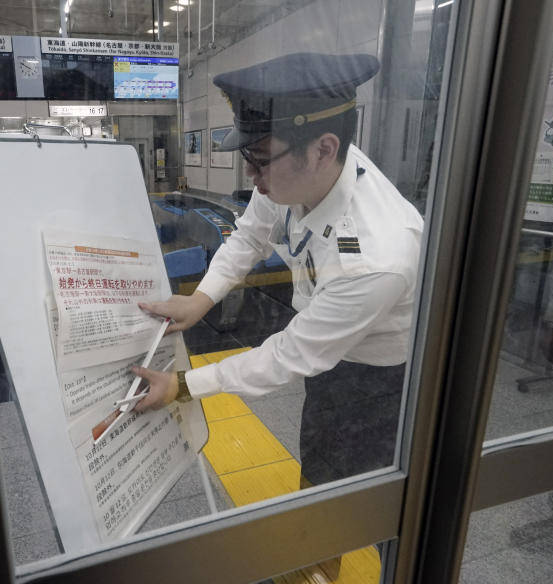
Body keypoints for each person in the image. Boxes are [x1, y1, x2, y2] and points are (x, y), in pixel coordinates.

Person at [132, 52, 424, 486]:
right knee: (320, 468)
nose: (250, 174)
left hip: (375, 378)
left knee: (356, 495)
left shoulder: (376, 258)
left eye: (260, 158)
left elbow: (292, 353)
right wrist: (201, 299)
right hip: (327, 351)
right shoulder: (299, 169)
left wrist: (185, 384)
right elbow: (250, 235)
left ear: (324, 149)